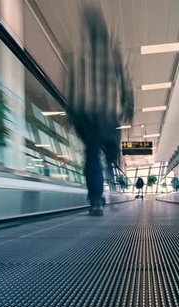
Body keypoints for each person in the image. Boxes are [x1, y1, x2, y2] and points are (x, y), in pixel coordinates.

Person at [65, 4, 134, 216]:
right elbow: (125, 82)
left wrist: (71, 111)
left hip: (89, 114)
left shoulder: (81, 55)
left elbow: (74, 84)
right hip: (108, 115)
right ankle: (103, 192)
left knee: (92, 156)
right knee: (105, 155)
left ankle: (96, 199)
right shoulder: (114, 54)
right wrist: (128, 105)